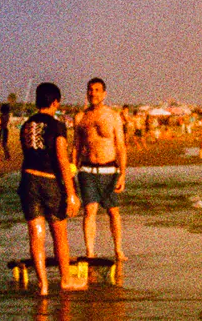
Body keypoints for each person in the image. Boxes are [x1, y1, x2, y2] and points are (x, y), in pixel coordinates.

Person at [18, 82, 86, 295]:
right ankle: (65, 279)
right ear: (55, 102)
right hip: (49, 183)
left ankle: (43, 285)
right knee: (59, 233)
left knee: (36, 235)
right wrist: (71, 193)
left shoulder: (26, 125)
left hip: (28, 181)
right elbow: (61, 159)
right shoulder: (57, 125)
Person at [74, 76, 127, 264]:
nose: (93, 93)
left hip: (109, 170)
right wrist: (73, 170)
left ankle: (118, 250)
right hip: (87, 170)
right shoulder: (80, 117)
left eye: (97, 90)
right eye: (90, 89)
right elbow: (76, 147)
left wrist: (122, 173)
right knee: (89, 210)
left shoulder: (112, 116)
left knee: (113, 211)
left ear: (104, 94)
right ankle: (90, 252)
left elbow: (120, 146)